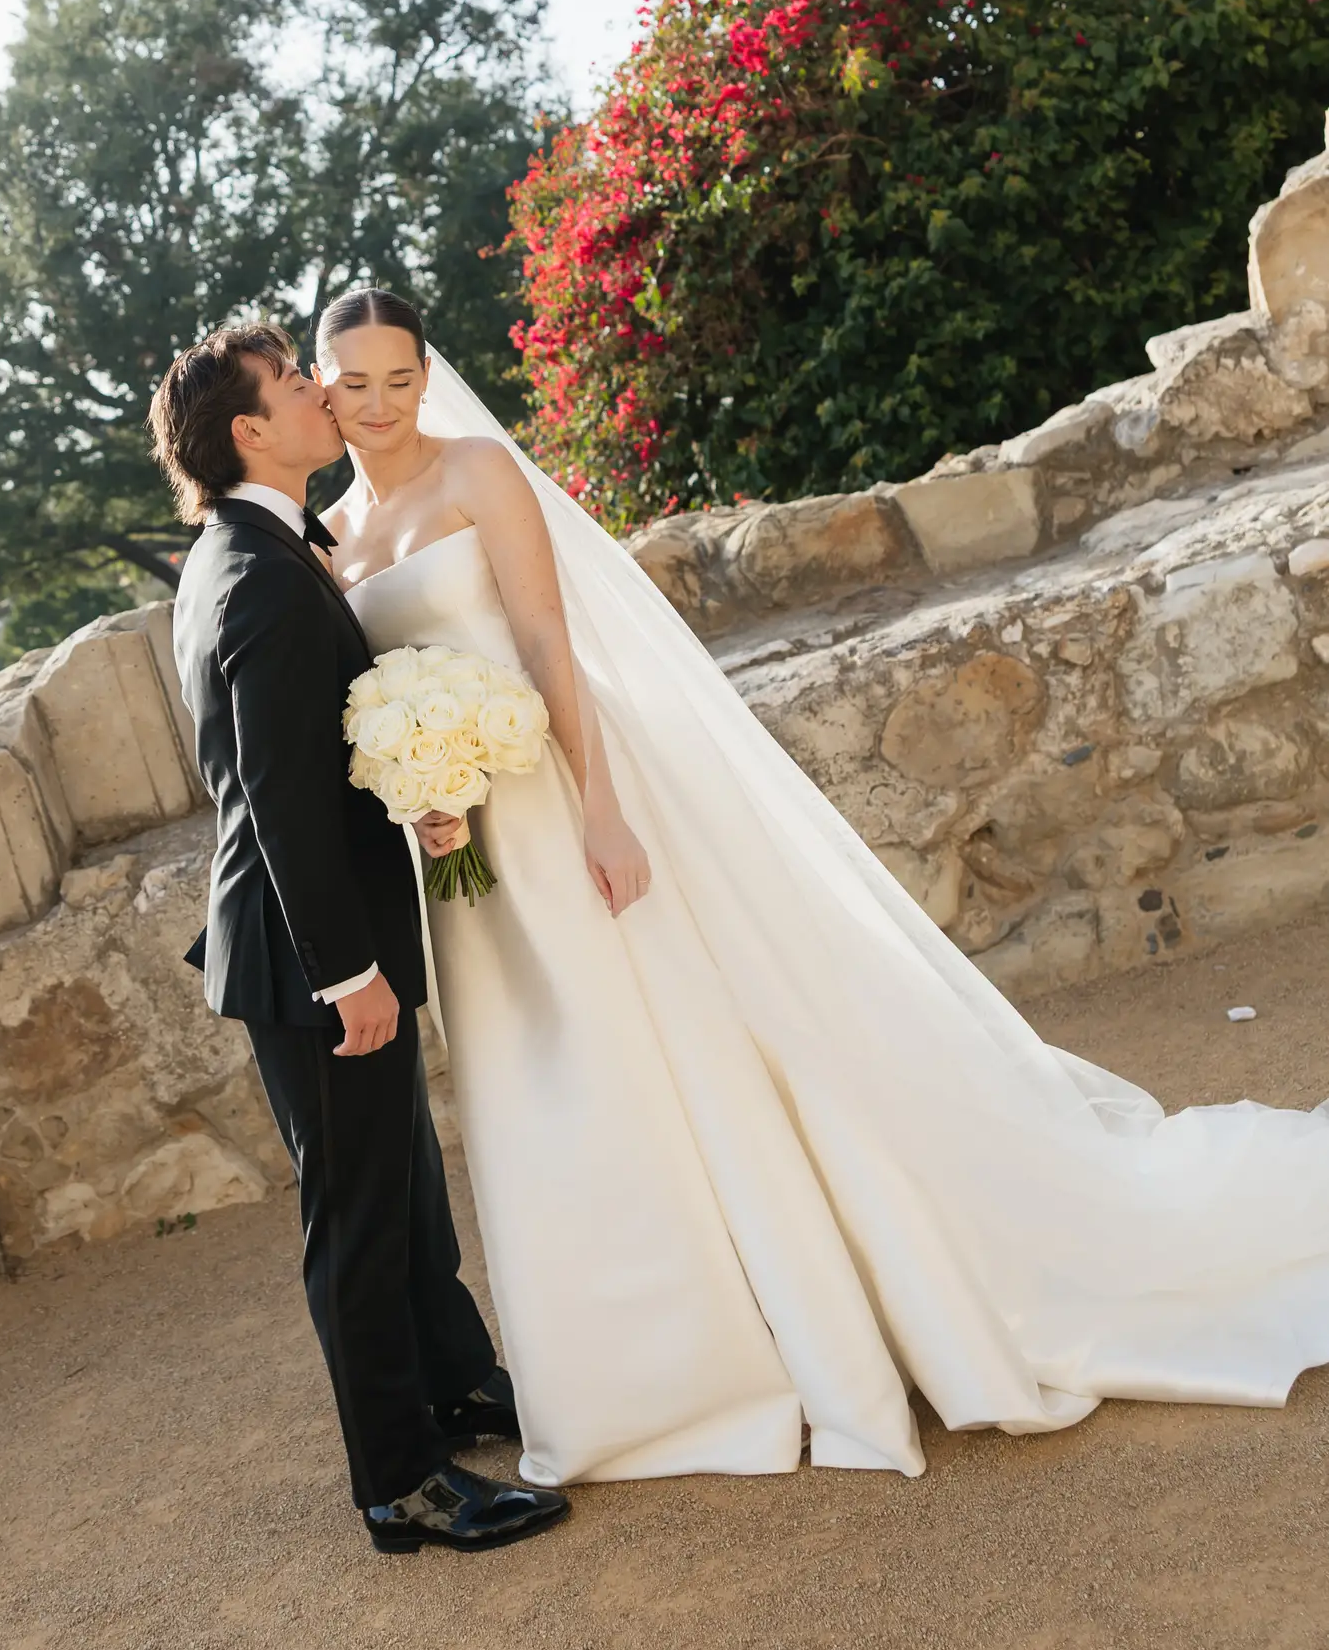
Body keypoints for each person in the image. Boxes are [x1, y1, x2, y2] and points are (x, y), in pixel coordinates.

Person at [312, 284, 1329, 1487]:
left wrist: (599, 807)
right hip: (468, 865)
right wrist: (419, 789)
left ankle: (786, 1335)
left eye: (398, 376)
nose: (378, 405)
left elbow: (542, 640)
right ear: (322, 387)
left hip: (560, 799)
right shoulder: (328, 534)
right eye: (354, 382)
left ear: (426, 373)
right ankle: (643, 1375)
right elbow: (375, 701)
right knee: (555, 1080)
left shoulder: (478, 471)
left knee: (686, 1045)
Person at [146, 323, 568, 1552]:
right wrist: (347, 974)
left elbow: (314, 754)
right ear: (249, 432)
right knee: (359, 1218)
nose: (322, 394)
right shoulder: (262, 575)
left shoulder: (258, 548)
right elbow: (271, 797)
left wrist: (412, 790)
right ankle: (401, 1483)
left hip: (323, 941)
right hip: (306, 961)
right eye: (294, 384)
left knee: (404, 1184)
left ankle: (454, 1380)